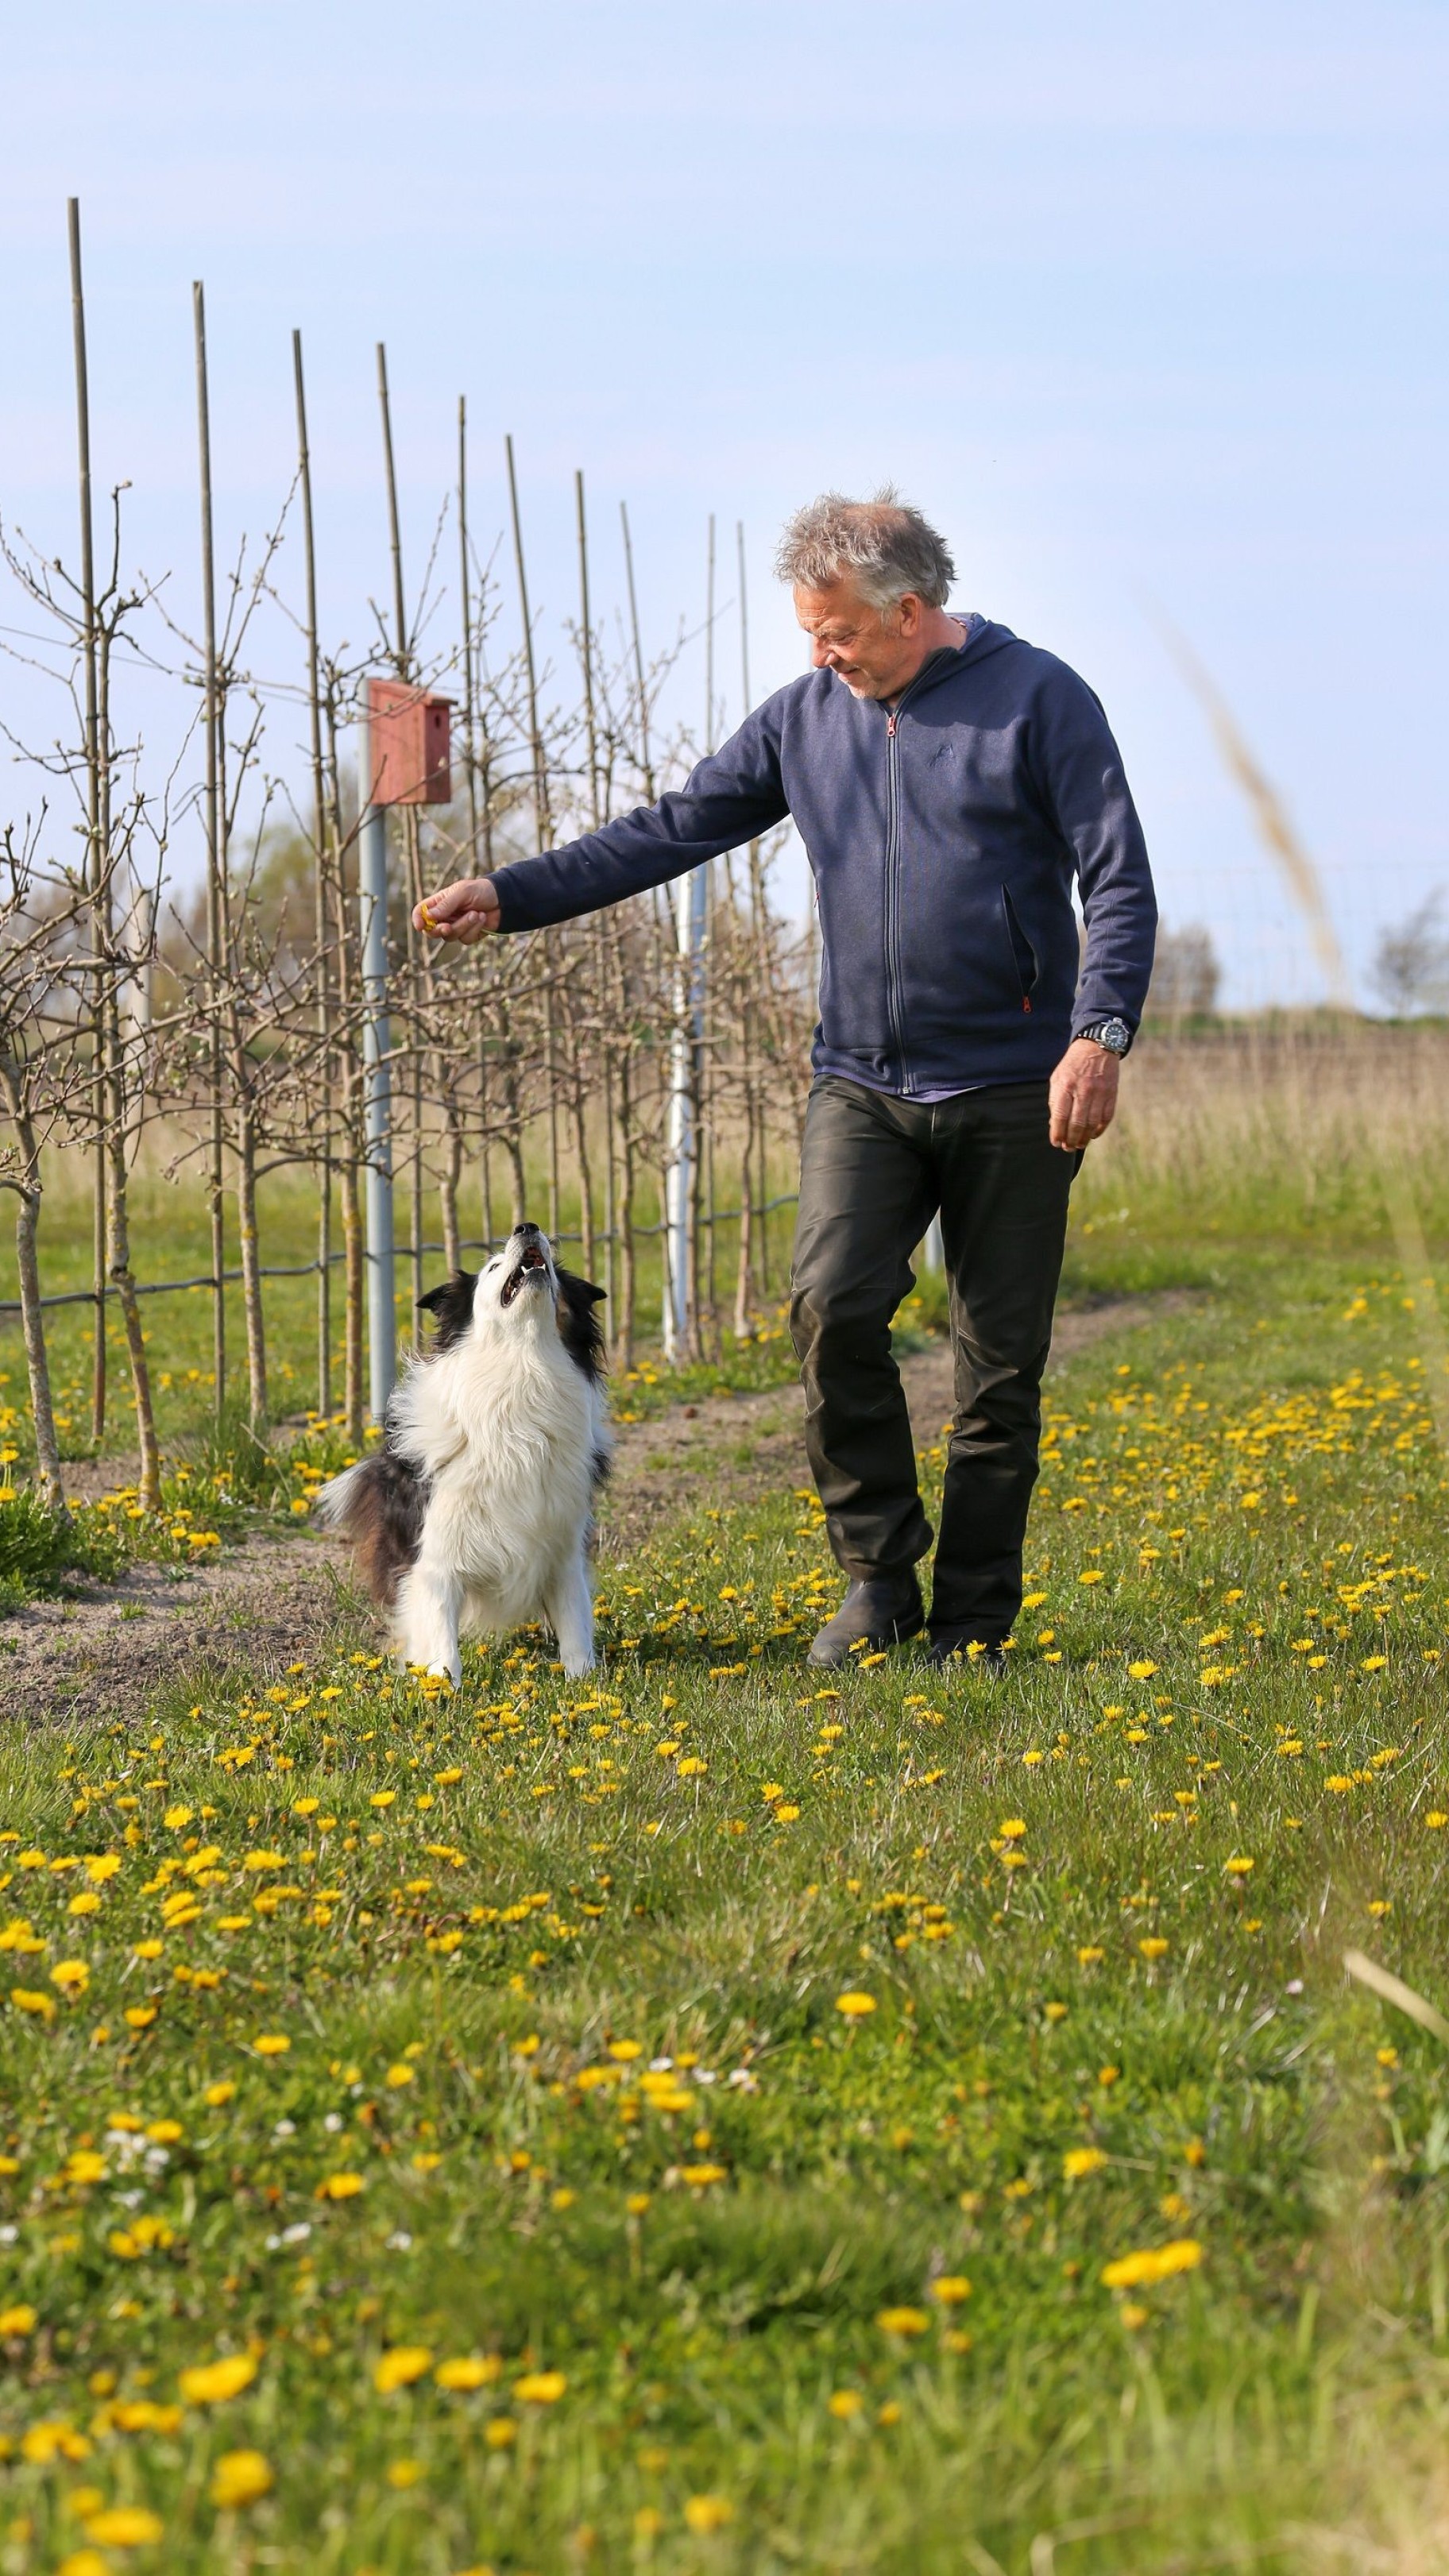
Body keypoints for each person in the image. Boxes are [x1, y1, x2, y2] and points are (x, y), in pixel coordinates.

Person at [415, 491, 1156, 1670]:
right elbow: (671, 828)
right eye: (810, 633)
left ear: (909, 611)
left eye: (840, 632)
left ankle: (971, 1620)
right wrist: (516, 894)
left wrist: (1097, 1032)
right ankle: (879, 1578)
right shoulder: (808, 719)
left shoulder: (1042, 701)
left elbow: (1116, 877)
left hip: (1017, 1084)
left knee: (996, 1365)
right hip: (861, 1082)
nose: (822, 653)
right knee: (829, 1310)